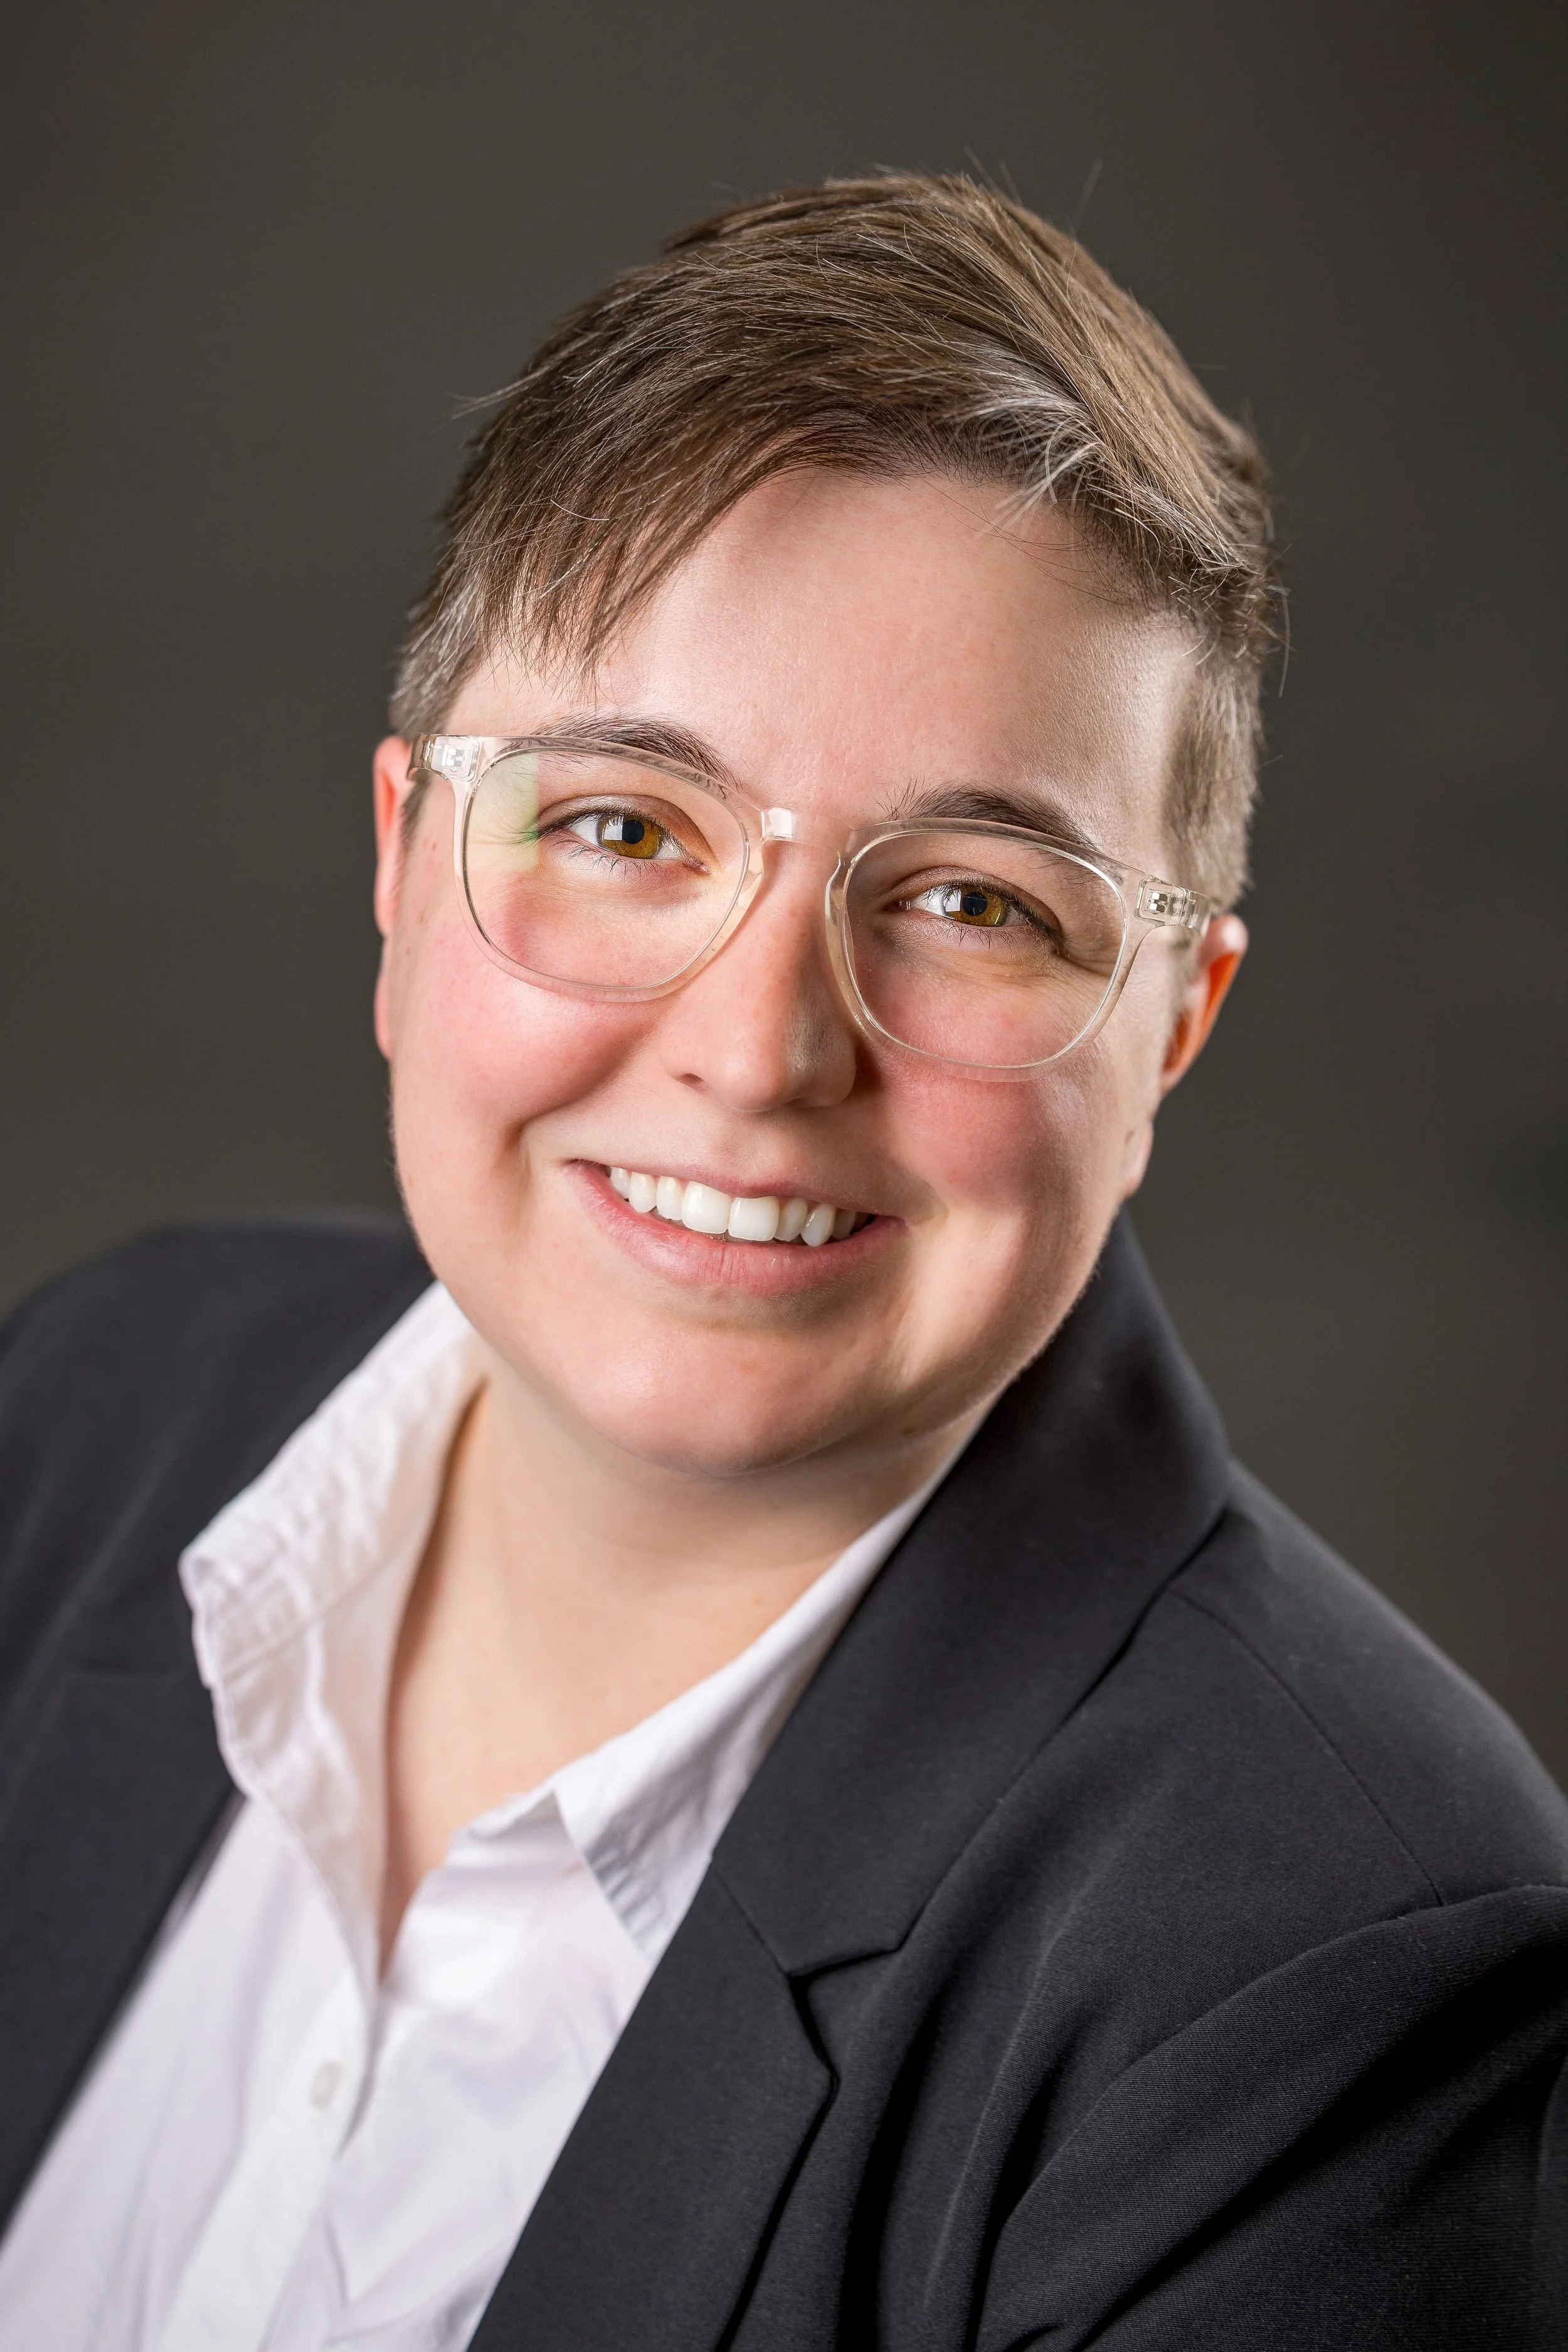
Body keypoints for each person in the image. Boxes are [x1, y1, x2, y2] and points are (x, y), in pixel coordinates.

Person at [0, 173, 1562, 2352]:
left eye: (976, 901)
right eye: (624, 827)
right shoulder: (86, 1408)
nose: (755, 1052)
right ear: (401, 864)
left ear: (1169, 1032)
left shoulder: (1326, 1970)